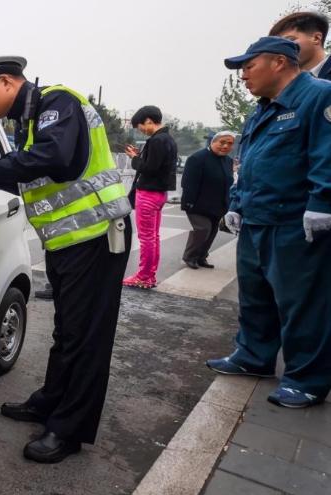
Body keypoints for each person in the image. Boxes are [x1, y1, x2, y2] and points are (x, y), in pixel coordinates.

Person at [0, 56, 132, 463]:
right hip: (68, 243)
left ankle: (68, 430)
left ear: (6, 82)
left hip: (96, 238)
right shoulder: (30, 122)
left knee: (87, 338)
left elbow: (56, 160)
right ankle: (49, 401)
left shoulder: (59, 103)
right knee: (67, 331)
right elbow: (31, 176)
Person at [206, 37, 331, 409]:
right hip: (258, 219)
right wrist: (237, 203)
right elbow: (249, 163)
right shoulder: (262, 109)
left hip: (295, 222)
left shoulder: (319, 96)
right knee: (256, 297)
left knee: (302, 304)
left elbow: (327, 152)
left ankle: (306, 379)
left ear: (279, 62)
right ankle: (253, 355)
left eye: (248, 66)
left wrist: (323, 201)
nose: (243, 75)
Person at [122, 106, 178, 289]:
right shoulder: (168, 139)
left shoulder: (157, 141)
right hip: (160, 193)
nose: (141, 131)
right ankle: (149, 275)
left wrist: (134, 158)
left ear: (148, 121)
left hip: (148, 193)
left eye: (140, 126)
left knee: (146, 238)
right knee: (153, 237)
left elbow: (149, 168)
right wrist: (140, 157)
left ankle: (144, 276)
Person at [180, 131, 236, 269]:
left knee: (212, 232)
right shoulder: (197, 158)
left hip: (218, 205)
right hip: (198, 204)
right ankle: (190, 256)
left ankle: (201, 257)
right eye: (222, 142)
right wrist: (188, 203)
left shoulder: (228, 161)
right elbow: (188, 183)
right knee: (203, 229)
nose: (225, 146)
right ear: (213, 142)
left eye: (229, 143)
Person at [270, 11, 330, 80]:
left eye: (290, 40)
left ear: (316, 38)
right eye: (278, 45)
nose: (282, 48)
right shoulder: (284, 84)